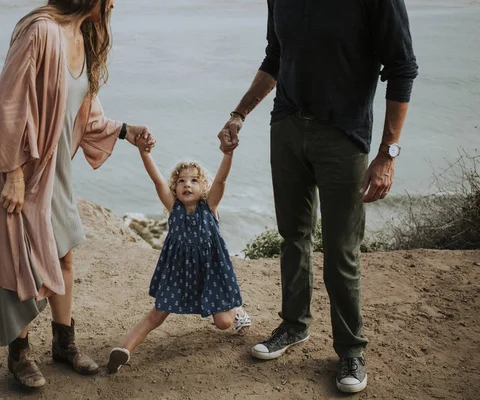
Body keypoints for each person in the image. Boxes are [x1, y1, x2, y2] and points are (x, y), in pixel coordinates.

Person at [217, 0, 418, 394]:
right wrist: (239, 114)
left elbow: (402, 68)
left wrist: (388, 153)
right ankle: (293, 326)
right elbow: (275, 56)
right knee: (293, 237)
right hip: (288, 127)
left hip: (344, 135)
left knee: (341, 249)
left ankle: (350, 350)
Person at [0, 0, 155, 389]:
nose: (113, 3)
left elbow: (85, 114)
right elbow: (9, 105)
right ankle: (19, 353)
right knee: (17, 261)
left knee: (64, 252)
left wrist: (127, 131)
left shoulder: (83, 37)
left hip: (52, 169)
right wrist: (13, 175)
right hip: (20, 166)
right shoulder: (40, 31)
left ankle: (63, 343)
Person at [106, 146, 252, 373]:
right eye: (182, 180)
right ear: (174, 186)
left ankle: (237, 309)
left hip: (211, 273)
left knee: (223, 323)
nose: (187, 184)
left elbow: (221, 180)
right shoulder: (173, 208)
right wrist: (145, 153)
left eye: (194, 180)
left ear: (203, 186)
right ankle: (124, 350)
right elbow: (156, 181)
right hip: (178, 272)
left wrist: (228, 153)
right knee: (157, 313)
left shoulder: (210, 206)